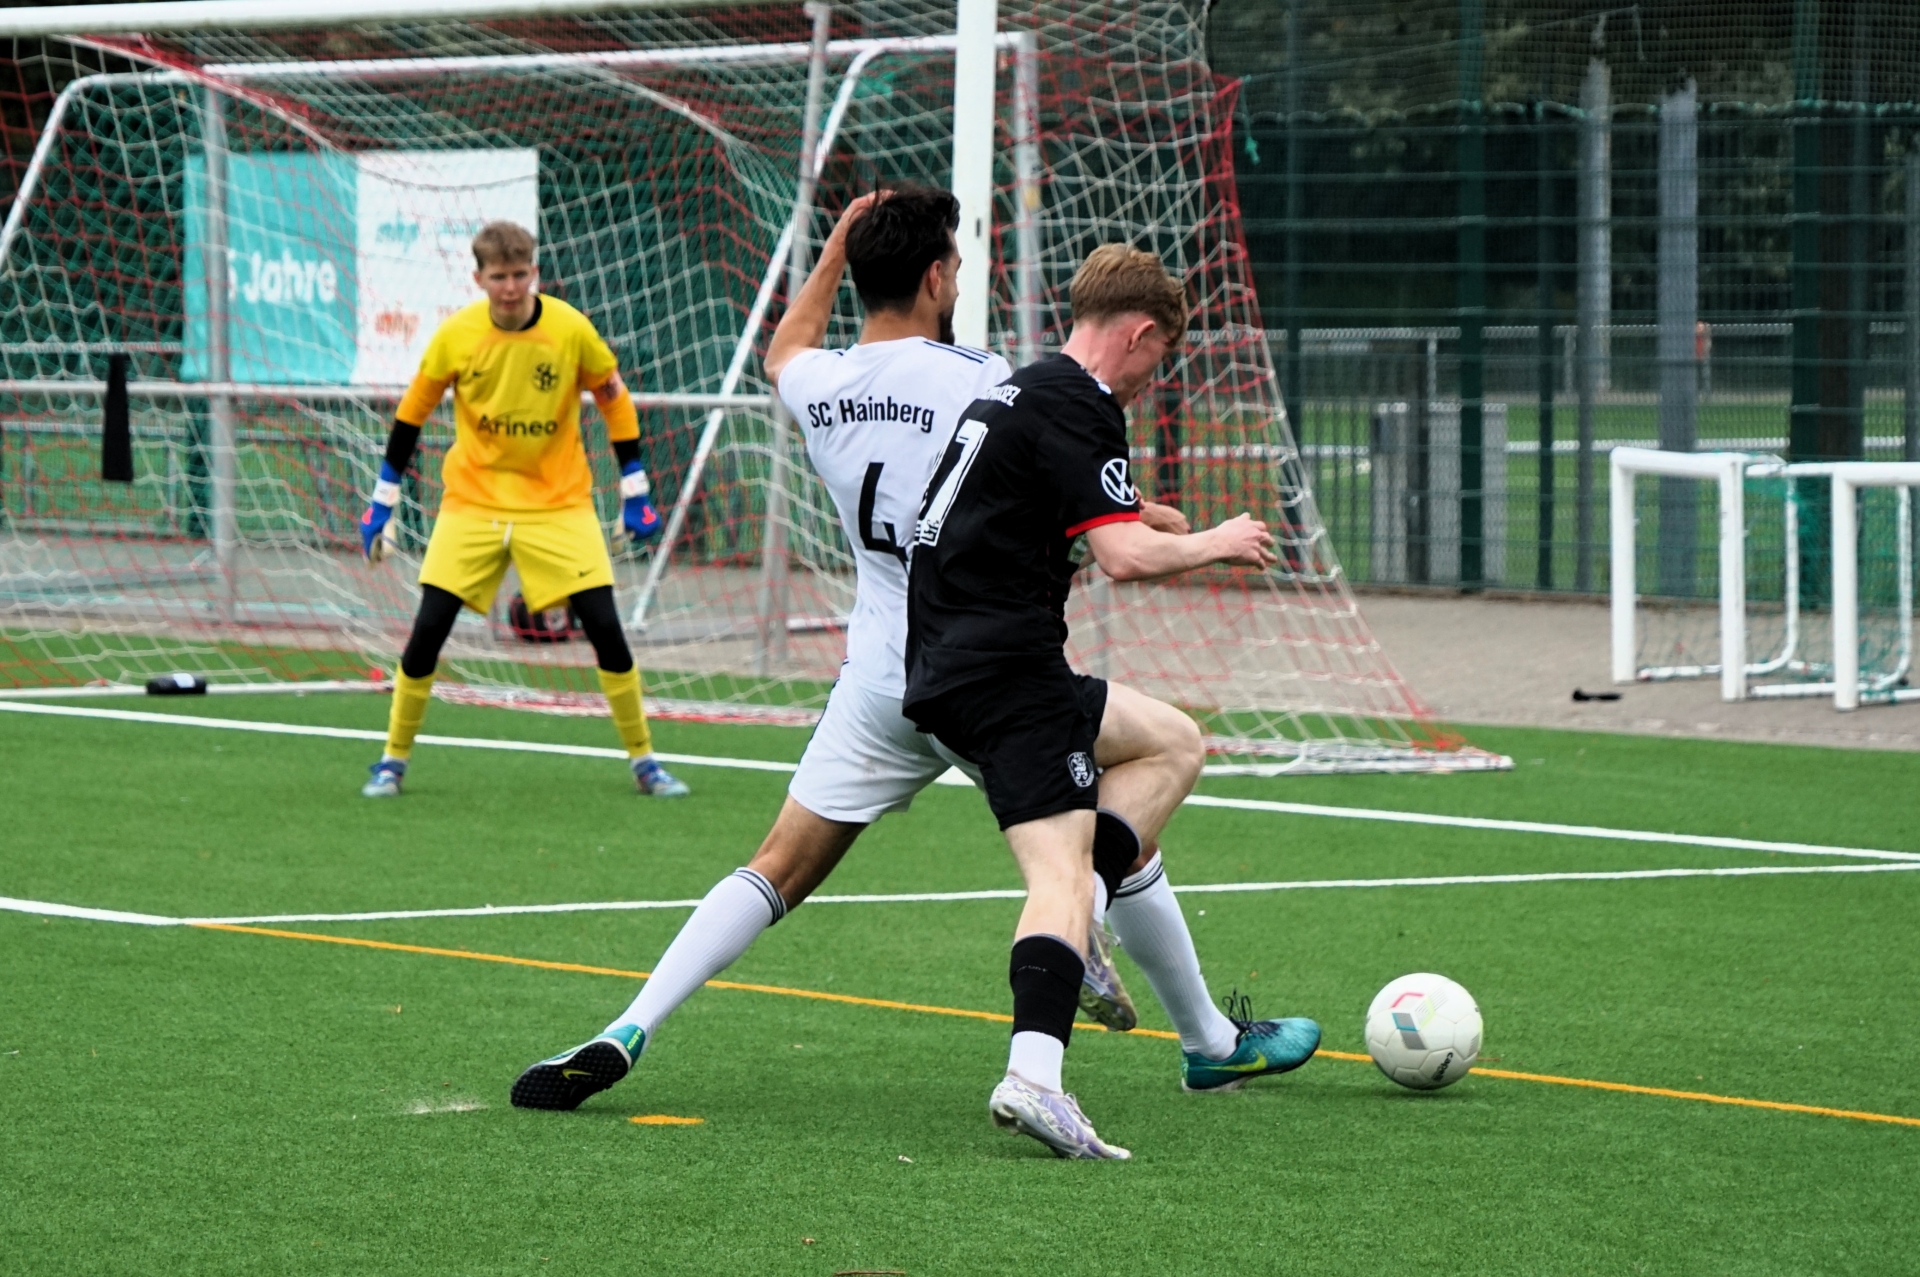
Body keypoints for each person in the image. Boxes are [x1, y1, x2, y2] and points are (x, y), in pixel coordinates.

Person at [509, 188, 1192, 1114]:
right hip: (980, 663)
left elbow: (782, 349)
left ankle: (630, 1023)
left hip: (875, 677)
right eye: (954, 265)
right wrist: (1133, 514)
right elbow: (1031, 478)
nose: (959, 278)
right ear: (936, 277)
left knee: (776, 865)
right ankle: (1181, 1021)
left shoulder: (822, 382)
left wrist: (835, 245)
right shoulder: (982, 376)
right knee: (1118, 812)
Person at [903, 244, 1322, 1160]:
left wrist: (1138, 516)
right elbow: (1123, 559)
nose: (1151, 377)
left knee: (1172, 742)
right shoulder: (1084, 402)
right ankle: (1034, 1076)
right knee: (1059, 880)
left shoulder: (1021, 389)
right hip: (1007, 676)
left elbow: (1039, 520)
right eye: (1159, 357)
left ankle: (1156, 992)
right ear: (1137, 334)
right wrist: (1215, 539)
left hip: (951, 660)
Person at [356, 220, 687, 800]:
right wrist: (383, 498)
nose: (510, 287)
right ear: (479, 278)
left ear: (534, 272)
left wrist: (634, 484)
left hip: (558, 505)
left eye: (519, 274)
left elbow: (614, 399)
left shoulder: (570, 329)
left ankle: (645, 762)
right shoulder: (457, 336)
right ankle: (392, 761)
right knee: (427, 631)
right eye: (498, 277)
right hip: (473, 503)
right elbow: (412, 414)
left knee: (606, 630)